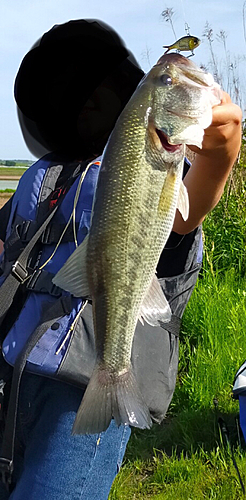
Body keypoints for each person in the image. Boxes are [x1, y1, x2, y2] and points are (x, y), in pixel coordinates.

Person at [0, 19, 242, 500]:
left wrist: (224, 144)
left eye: (99, 86)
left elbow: (198, 190)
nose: (86, 100)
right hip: (13, 373)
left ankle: (116, 389)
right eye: (71, 92)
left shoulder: (160, 159)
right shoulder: (44, 175)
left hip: (81, 389)